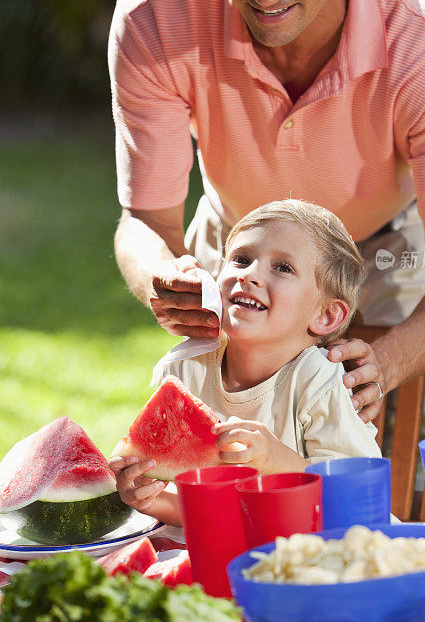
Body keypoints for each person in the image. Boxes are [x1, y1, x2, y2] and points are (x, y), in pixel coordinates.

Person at [109, 0, 425, 425]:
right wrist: (158, 279)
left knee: (385, 462)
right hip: (239, 240)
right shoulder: (155, 19)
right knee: (225, 456)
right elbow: (145, 220)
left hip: (384, 246)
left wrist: (384, 365)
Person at [110, 200, 381, 522]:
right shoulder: (185, 368)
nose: (250, 275)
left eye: (283, 267)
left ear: (326, 315)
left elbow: (357, 495)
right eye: (240, 259)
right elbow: (210, 511)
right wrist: (147, 498)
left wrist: (275, 459)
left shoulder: (317, 379)